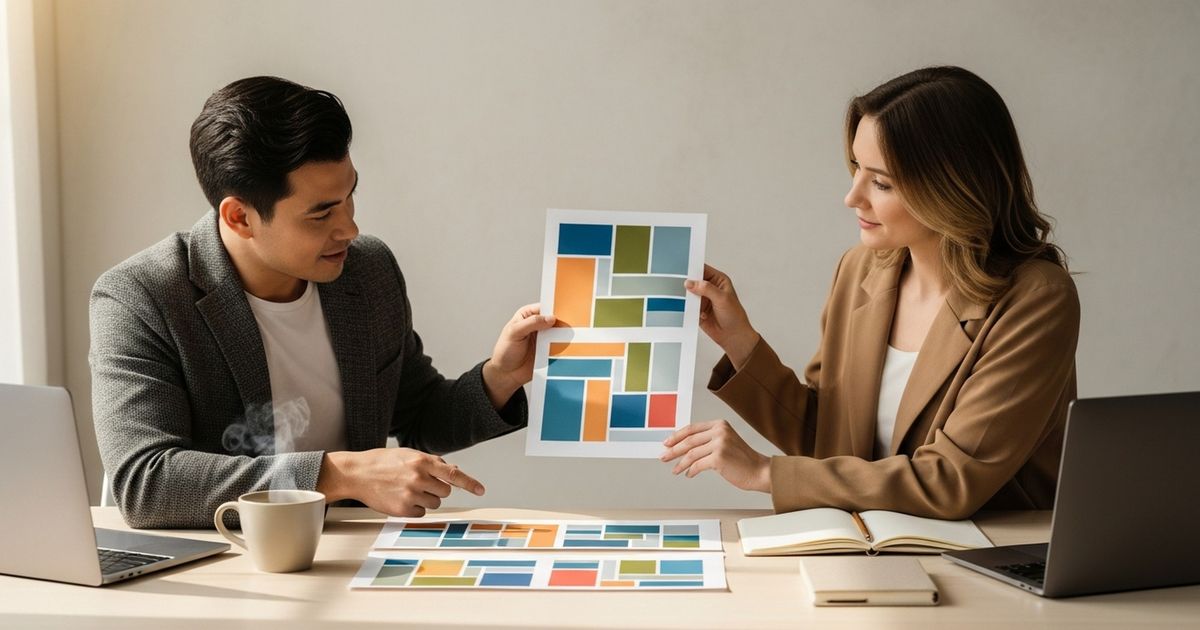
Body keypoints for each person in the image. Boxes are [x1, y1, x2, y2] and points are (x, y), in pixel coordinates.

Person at [89, 76, 554, 529]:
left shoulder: (367, 270)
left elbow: (416, 415)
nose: (349, 227)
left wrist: (500, 377)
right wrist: (339, 475)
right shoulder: (140, 297)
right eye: (321, 212)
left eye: (349, 196)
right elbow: (146, 483)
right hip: (222, 566)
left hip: (349, 555)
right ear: (240, 217)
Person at [660, 66, 1079, 519]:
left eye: (882, 182)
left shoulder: (1037, 298)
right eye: (856, 168)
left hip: (986, 558)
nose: (852, 196)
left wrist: (765, 473)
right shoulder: (860, 269)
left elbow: (952, 479)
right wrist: (738, 341)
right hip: (864, 546)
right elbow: (829, 440)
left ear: (951, 188)